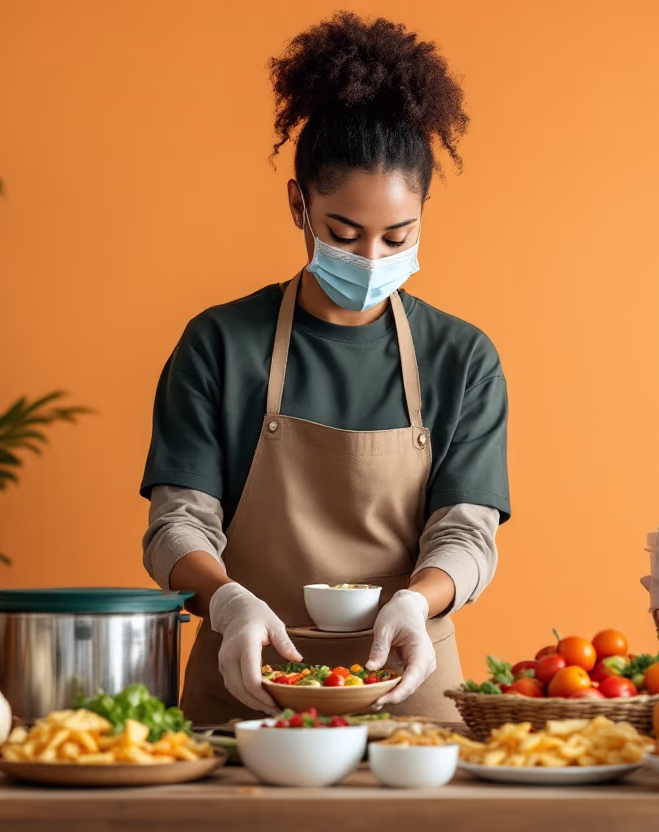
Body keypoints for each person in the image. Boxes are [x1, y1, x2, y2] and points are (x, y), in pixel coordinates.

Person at [140, 12, 510, 724]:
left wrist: (416, 600)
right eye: (344, 232)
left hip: (407, 678)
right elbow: (175, 525)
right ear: (298, 206)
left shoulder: (461, 357)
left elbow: (467, 532)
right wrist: (227, 601)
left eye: (397, 236)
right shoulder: (220, 342)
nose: (372, 259)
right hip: (247, 680)